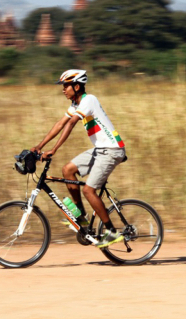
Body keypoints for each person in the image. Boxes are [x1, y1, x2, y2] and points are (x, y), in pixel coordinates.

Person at [31, 69, 127, 248]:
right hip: (100, 149)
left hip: (112, 150)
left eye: (66, 86)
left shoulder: (89, 100)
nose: (63, 89)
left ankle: (111, 231)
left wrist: (54, 149)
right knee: (68, 170)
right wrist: (39, 146)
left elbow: (71, 123)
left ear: (76, 86)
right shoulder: (75, 105)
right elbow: (60, 124)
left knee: (89, 190)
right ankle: (81, 216)